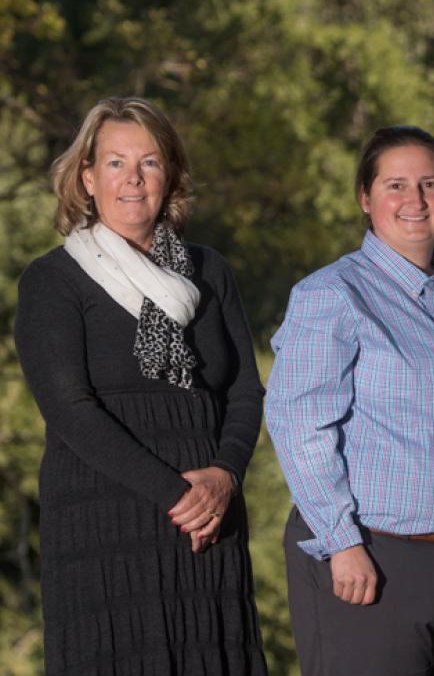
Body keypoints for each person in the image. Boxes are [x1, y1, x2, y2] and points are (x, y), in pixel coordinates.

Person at [14, 97, 267, 674]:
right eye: (114, 163)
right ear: (86, 176)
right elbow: (70, 410)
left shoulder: (209, 270)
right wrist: (177, 496)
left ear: (170, 174)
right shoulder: (53, 280)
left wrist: (224, 478)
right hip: (105, 518)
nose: (133, 179)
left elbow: (245, 392)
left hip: (210, 520)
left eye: (149, 163)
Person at [265, 126, 434, 676]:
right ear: (365, 197)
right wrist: (342, 544)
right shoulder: (332, 295)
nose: (415, 200)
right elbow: (299, 422)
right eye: (396, 185)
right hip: (376, 560)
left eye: (430, 183)